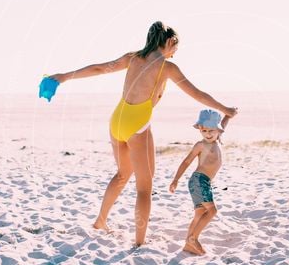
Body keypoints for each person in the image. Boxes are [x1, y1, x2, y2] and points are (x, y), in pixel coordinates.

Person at [49, 22, 238, 247]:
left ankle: (100, 221)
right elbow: (197, 94)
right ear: (169, 42)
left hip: (117, 119)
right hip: (137, 124)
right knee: (144, 188)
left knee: (122, 174)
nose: (175, 51)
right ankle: (139, 242)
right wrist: (225, 110)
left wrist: (63, 76)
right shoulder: (167, 67)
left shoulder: (132, 58)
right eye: (175, 46)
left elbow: (99, 68)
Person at [169, 109, 231, 255]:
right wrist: (176, 179)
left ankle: (188, 244)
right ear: (200, 130)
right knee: (212, 211)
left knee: (200, 213)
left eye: (211, 130)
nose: (208, 134)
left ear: (218, 131)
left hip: (205, 182)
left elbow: (223, 125)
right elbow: (186, 161)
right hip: (199, 180)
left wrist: (228, 115)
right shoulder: (201, 145)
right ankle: (193, 239)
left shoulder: (218, 139)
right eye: (204, 130)